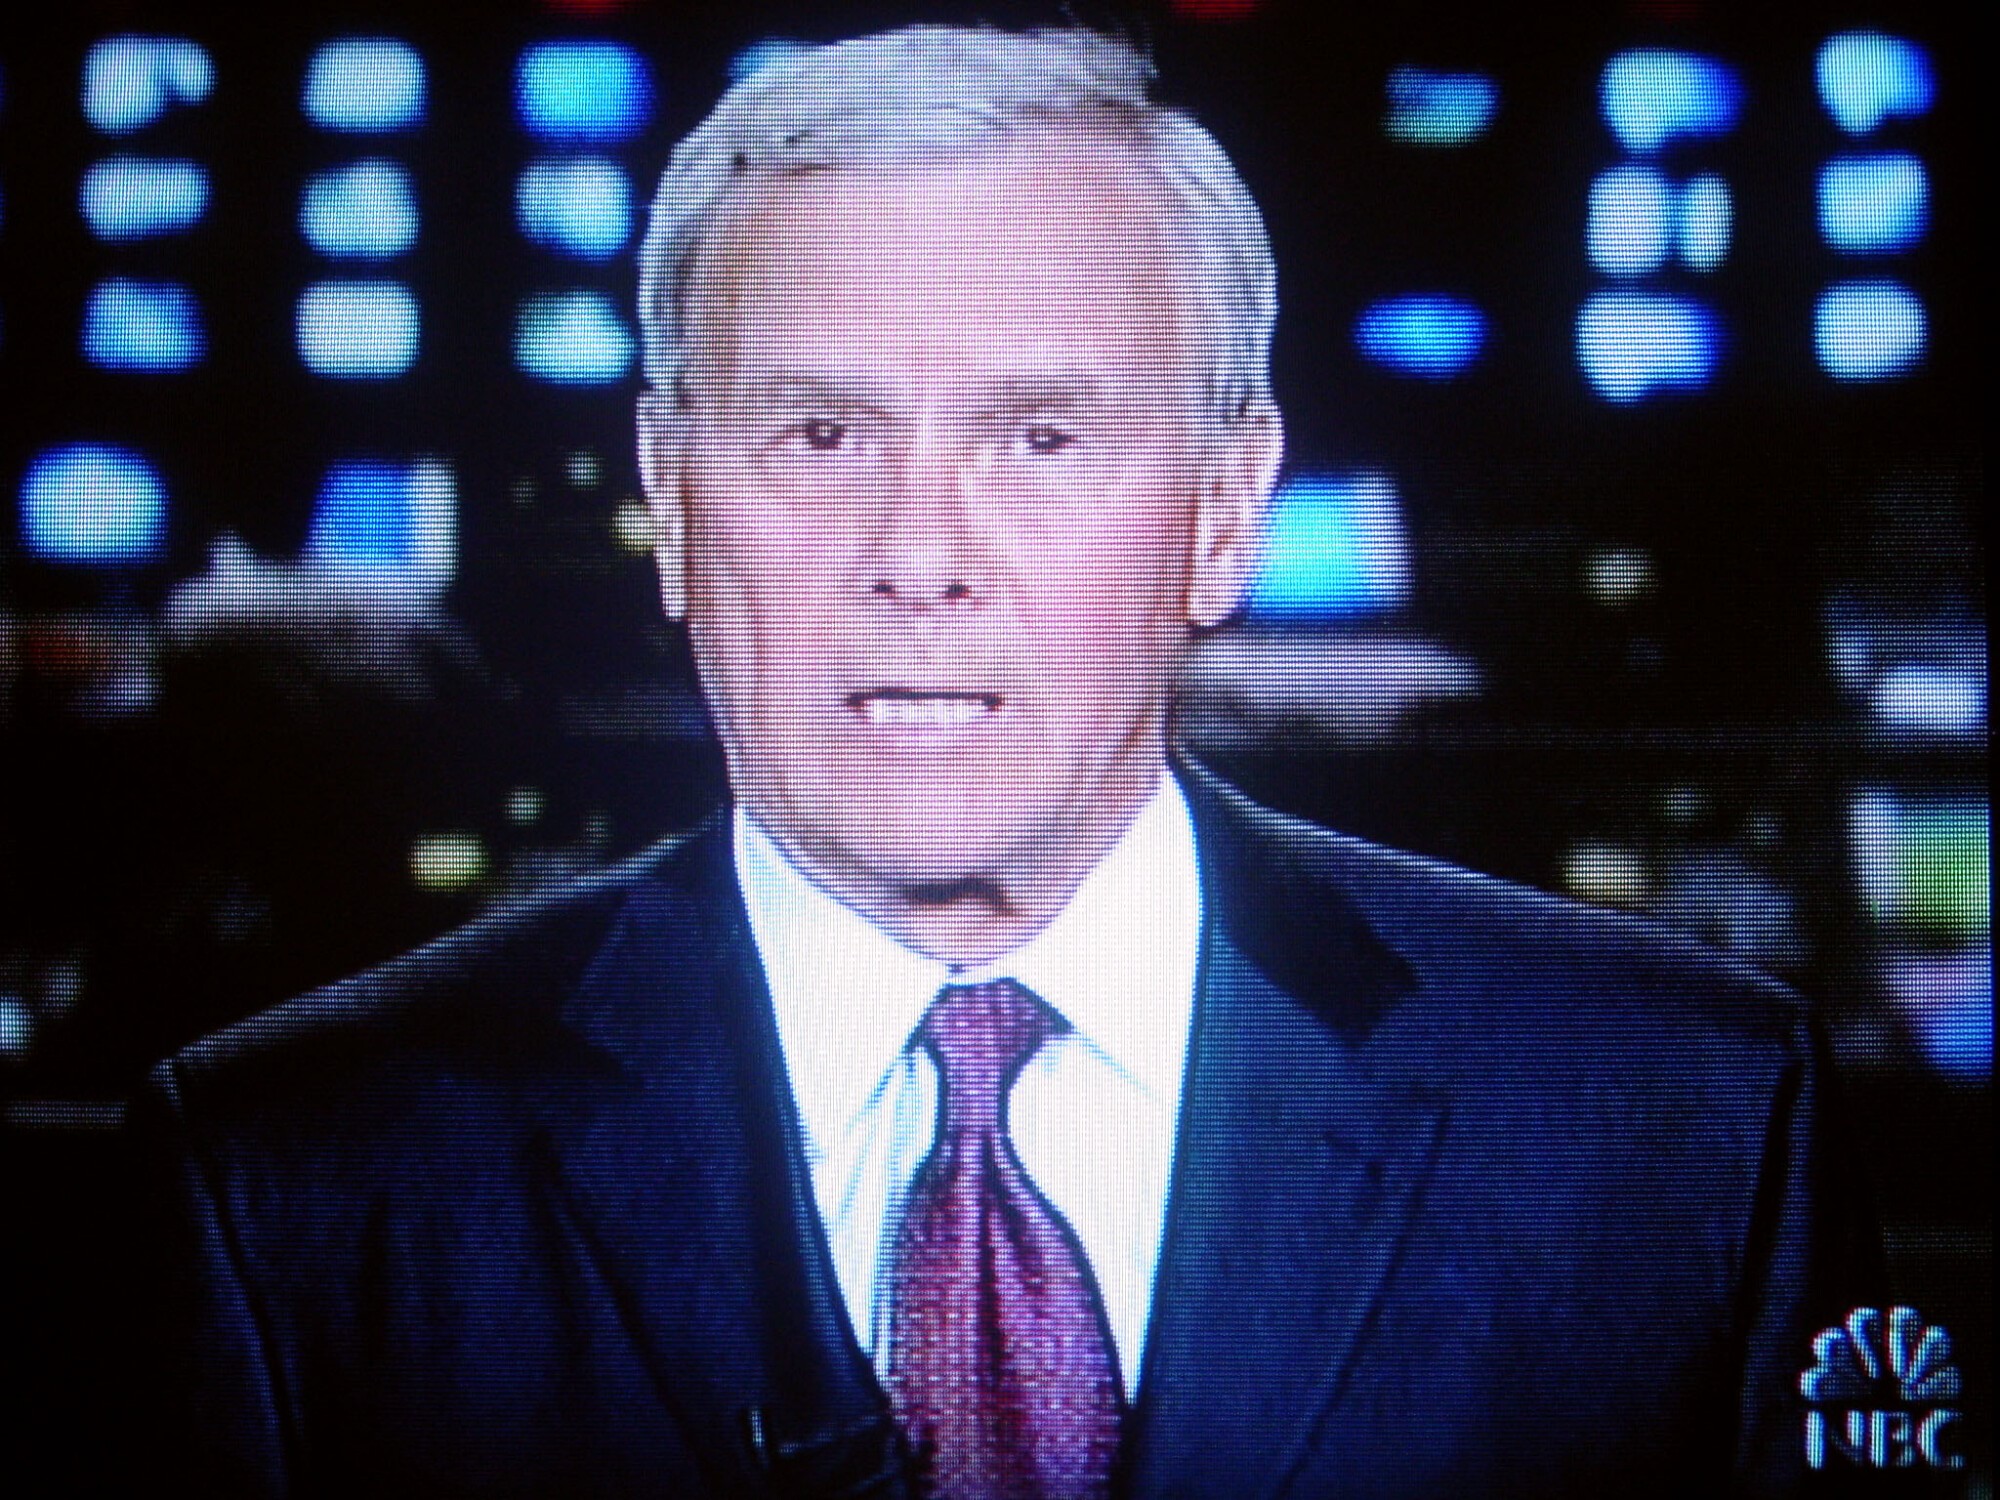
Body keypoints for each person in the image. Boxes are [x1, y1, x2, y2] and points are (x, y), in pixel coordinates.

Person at [133, 25, 1886, 1498]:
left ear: (1225, 512)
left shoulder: (1681, 1130)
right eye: (821, 433)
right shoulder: (297, 1184)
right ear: (671, 497)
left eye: (1043, 438)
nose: (922, 554)